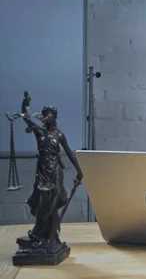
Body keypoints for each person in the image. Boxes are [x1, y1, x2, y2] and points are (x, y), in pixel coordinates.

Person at [19, 100, 84, 249]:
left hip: (55, 171)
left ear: (55, 117)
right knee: (43, 202)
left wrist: (79, 171)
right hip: (42, 170)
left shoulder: (59, 135)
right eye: (45, 115)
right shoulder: (38, 132)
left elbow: (69, 153)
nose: (47, 118)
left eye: (50, 115)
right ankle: (40, 232)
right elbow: (25, 118)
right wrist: (25, 104)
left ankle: (51, 237)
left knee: (53, 203)